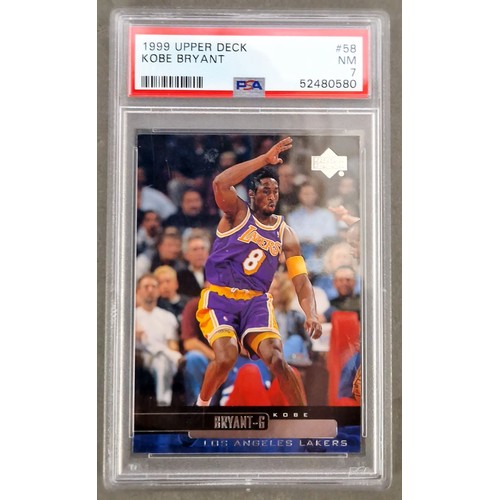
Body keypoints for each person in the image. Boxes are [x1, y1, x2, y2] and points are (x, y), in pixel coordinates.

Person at [195, 136, 322, 407]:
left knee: (276, 358)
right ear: (251, 194)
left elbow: (300, 280)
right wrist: (264, 160)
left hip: (256, 302)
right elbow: (220, 183)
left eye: (275, 191)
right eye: (265, 190)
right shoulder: (236, 213)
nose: (272, 196)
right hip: (221, 297)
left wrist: (311, 313)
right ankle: (201, 406)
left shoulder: (286, 233)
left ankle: (303, 417)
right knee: (227, 356)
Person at [135, 274, 183, 406]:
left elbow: (172, 344)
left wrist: (171, 350)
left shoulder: (167, 316)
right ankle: (163, 404)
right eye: (146, 287)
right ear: (138, 291)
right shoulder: (131, 316)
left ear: (158, 291)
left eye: (154, 286)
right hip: (140, 356)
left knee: (162, 360)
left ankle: (163, 404)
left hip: (162, 359)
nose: (150, 290)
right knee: (162, 358)